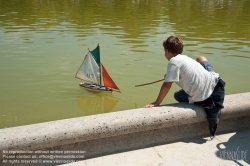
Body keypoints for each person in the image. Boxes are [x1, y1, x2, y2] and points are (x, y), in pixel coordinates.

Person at [144, 35, 225, 139]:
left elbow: (167, 85)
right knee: (201, 58)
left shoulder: (173, 62)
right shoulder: (185, 58)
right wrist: (170, 76)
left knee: (177, 95)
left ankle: (201, 101)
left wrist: (156, 102)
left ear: (167, 51)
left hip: (207, 97)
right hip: (217, 85)